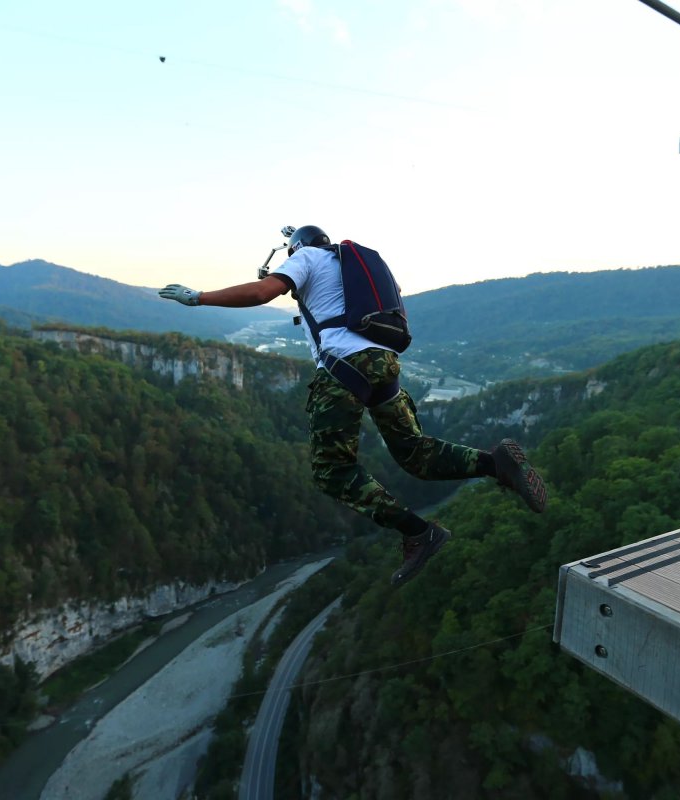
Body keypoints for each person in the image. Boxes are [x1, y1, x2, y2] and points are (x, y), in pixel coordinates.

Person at [159, 225, 547, 587]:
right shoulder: (355, 269)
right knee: (414, 453)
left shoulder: (307, 258)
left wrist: (199, 298)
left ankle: (419, 532)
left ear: (296, 251)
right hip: (383, 364)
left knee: (332, 471)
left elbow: (263, 293)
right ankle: (496, 463)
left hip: (343, 366)